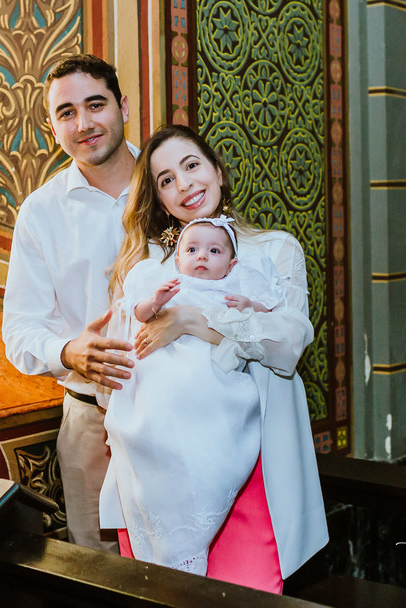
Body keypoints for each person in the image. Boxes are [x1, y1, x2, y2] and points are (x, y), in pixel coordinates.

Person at [100, 124, 329, 593]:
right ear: (160, 201)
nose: (183, 185)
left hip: (253, 458)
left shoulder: (273, 249)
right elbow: (126, 365)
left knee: (246, 593)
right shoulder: (151, 270)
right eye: (166, 180)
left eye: (191, 166)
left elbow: (286, 344)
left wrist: (187, 322)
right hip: (160, 469)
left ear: (219, 173)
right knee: (168, 596)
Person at [1, 54, 138, 552]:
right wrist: (68, 352)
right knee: (103, 579)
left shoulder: (171, 185)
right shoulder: (40, 212)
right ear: (51, 125)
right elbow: (19, 329)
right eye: (66, 112)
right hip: (90, 423)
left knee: (188, 577)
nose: (84, 124)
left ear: (123, 106)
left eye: (95, 104)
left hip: (182, 411)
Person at [101, 215, 282, 575]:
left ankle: (187, 540)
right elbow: (138, 313)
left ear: (230, 265)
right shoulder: (169, 284)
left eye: (214, 251)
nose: (202, 257)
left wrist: (248, 305)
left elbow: (267, 318)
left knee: (206, 457)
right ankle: (167, 541)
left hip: (211, 381)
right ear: (178, 257)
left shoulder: (231, 289)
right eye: (192, 249)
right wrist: (157, 300)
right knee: (154, 436)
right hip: (164, 377)